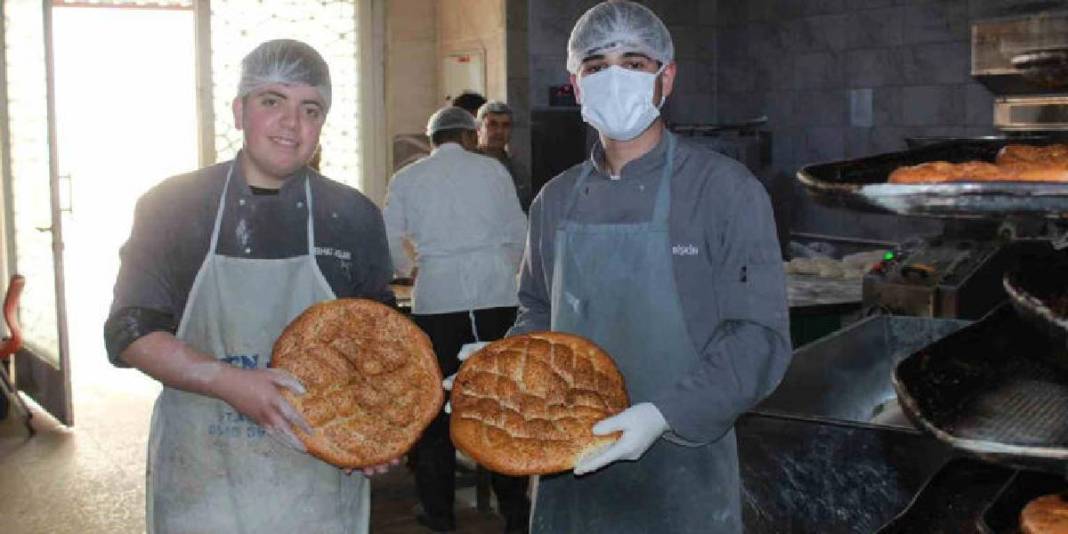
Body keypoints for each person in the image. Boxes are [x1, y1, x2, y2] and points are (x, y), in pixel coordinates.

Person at [477, 2, 792, 532]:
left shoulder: (724, 191)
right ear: (576, 85)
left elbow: (757, 337)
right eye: (596, 66)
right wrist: (509, 364)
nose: (613, 77)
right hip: (569, 471)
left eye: (634, 62)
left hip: (683, 468)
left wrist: (661, 415)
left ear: (666, 79)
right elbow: (537, 309)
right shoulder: (555, 201)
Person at [103, 39, 398, 534]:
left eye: (311, 109)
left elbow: (380, 344)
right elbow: (129, 331)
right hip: (203, 479)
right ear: (239, 111)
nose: (292, 123)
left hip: (317, 483)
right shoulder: (174, 206)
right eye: (272, 101)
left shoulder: (352, 216)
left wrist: (377, 431)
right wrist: (230, 383)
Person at [383, 106, 529, 533]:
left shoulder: (407, 178)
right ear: (469, 137)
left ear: (433, 142)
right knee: (498, 404)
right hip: (496, 297)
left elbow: (389, 237)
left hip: (437, 300)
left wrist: (406, 270)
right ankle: (515, 514)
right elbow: (519, 233)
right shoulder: (492, 173)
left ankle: (439, 515)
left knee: (436, 412)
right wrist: (506, 271)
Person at [477, 100, 532, 212]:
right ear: (478, 129)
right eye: (492, 124)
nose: (499, 131)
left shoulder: (518, 171)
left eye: (505, 125)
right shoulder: (466, 165)